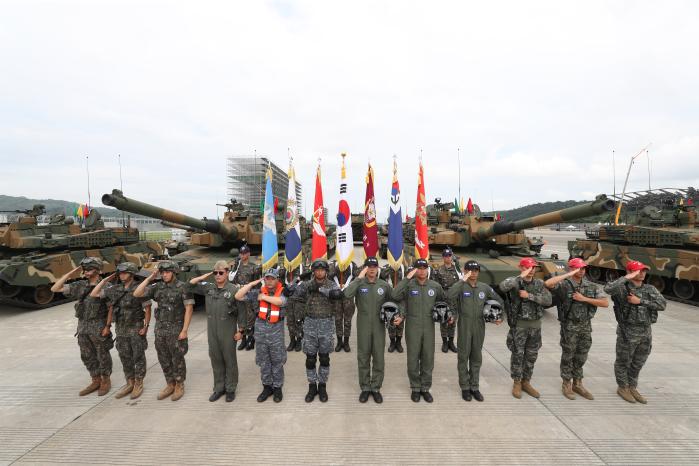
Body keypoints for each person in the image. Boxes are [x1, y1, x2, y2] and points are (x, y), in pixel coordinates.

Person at [545, 258, 609, 400]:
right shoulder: (564, 285)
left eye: (583, 268)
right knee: (568, 355)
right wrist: (568, 274)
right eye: (578, 268)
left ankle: (578, 383)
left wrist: (584, 299)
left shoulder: (590, 286)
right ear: (572, 269)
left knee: (581, 355)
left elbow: (605, 303)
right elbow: (548, 284)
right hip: (569, 326)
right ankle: (566, 383)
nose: (582, 271)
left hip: (585, 326)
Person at [604, 260, 666, 404]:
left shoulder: (650, 289)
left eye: (644, 271)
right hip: (628, 331)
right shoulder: (622, 288)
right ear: (631, 272)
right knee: (623, 361)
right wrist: (626, 277)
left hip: (645, 331)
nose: (642, 273)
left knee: (638, 361)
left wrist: (641, 301)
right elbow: (607, 289)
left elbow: (662, 305)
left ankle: (632, 386)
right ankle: (622, 387)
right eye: (639, 271)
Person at [51, 257, 113, 396]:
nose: (85, 272)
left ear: (97, 270)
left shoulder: (106, 286)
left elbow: (111, 308)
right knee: (87, 355)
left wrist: (107, 326)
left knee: (102, 355)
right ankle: (95, 379)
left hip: (98, 325)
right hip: (83, 326)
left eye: (89, 269)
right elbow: (55, 288)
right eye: (84, 269)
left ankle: (105, 380)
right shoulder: (80, 285)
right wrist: (71, 273)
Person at [134, 261, 194, 401]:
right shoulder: (158, 287)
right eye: (162, 272)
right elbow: (137, 293)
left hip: (176, 329)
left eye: (167, 272)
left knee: (177, 358)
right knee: (163, 358)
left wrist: (185, 330)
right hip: (160, 330)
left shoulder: (183, 287)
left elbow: (189, 309)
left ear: (174, 272)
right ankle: (170, 383)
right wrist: (150, 278)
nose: (164, 275)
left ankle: (179, 384)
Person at [90, 262, 151, 400]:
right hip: (121, 328)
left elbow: (147, 308)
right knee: (124, 356)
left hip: (135, 326)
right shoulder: (115, 289)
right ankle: (129, 382)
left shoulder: (139, 288)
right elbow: (94, 294)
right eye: (120, 273)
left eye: (125, 273)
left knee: (138, 356)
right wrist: (105, 280)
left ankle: (139, 383)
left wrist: (146, 326)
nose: (122, 275)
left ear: (132, 273)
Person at [447, 260, 503, 402]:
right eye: (470, 270)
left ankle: (474, 387)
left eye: (476, 270)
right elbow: (449, 296)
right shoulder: (460, 287)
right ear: (465, 271)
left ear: (478, 272)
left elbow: (499, 301)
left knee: (476, 357)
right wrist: (461, 281)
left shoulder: (484, 288)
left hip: (479, 324)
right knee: (463, 356)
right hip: (464, 324)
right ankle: (465, 387)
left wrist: (497, 316)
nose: (473, 273)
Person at [391, 258, 445, 402]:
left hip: (429, 326)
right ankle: (415, 387)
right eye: (418, 268)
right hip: (412, 325)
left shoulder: (435, 286)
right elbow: (395, 295)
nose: (422, 271)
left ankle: (425, 388)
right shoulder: (409, 286)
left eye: (424, 268)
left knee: (428, 357)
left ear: (427, 269)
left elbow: (443, 302)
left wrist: (446, 314)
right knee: (413, 357)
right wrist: (406, 278)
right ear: (414, 270)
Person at [189, 260, 245, 402]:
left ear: (227, 273)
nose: (218, 275)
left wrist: (241, 330)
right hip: (212, 331)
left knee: (229, 360)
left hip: (227, 330)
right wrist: (204, 276)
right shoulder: (209, 288)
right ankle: (219, 387)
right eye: (215, 273)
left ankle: (231, 388)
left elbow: (242, 311)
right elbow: (190, 284)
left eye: (221, 272)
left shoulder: (234, 290)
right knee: (216, 359)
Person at [290, 258, 342, 403]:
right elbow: (292, 294)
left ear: (326, 271)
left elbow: (338, 296)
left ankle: (323, 386)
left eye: (322, 270)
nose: (320, 272)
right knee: (310, 359)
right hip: (310, 324)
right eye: (317, 270)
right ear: (314, 271)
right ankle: (312, 385)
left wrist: (322, 290)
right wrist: (297, 280)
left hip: (326, 324)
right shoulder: (307, 285)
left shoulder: (331, 285)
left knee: (324, 358)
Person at [500, 257, 552, 399]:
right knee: (518, 355)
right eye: (528, 267)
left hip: (535, 326)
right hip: (519, 326)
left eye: (533, 268)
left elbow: (548, 300)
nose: (531, 271)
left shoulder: (539, 284)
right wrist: (519, 277)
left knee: (531, 356)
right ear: (521, 268)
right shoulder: (515, 282)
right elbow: (502, 287)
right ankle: (517, 382)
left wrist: (530, 296)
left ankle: (526, 382)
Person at [342, 257, 392, 403]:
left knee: (378, 357)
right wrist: (359, 278)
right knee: (363, 356)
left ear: (378, 268)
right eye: (368, 266)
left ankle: (375, 387)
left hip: (379, 324)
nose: (371, 269)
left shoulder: (383, 285)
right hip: (363, 323)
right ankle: (365, 387)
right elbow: (347, 294)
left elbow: (394, 299)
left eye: (374, 266)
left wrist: (397, 313)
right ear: (365, 268)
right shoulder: (359, 284)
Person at [236, 268, 288, 402]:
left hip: (276, 334)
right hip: (260, 334)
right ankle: (267, 387)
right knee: (264, 362)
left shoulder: (283, 291)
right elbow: (238, 296)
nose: (270, 281)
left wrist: (264, 297)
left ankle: (277, 388)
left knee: (277, 362)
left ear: (277, 280)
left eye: (272, 278)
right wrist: (251, 284)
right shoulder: (257, 292)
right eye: (267, 278)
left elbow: (280, 302)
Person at [230, 245, 261, 351]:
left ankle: (251, 339)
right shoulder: (237, 267)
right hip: (239, 295)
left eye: (245, 253)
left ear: (248, 254)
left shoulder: (254, 267)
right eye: (241, 253)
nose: (243, 255)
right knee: (241, 318)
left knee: (250, 318)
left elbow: (257, 285)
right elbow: (232, 282)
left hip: (249, 296)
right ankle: (243, 339)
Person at [329, 260, 359, 352]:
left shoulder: (352, 264)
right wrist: (338, 268)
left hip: (348, 296)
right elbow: (329, 276)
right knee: (338, 320)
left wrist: (348, 285)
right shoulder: (333, 264)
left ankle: (346, 342)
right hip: (336, 296)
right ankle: (339, 341)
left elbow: (357, 277)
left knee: (347, 320)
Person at [434, 247, 460, 353]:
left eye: (449, 256)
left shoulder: (457, 270)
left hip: (454, 300)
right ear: (443, 257)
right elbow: (436, 286)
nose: (447, 258)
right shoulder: (439, 270)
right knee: (444, 321)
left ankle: (451, 342)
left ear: (451, 256)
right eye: (445, 256)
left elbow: (461, 283)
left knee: (453, 322)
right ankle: (445, 343)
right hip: (444, 298)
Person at [279, 264, 305, 352]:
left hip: (299, 300)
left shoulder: (303, 268)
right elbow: (281, 282)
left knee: (298, 321)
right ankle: (292, 340)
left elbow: (305, 283)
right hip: (289, 300)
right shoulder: (286, 268)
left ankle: (298, 340)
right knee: (290, 321)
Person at [381, 264, 406, 353]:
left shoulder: (404, 268)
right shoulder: (386, 267)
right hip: (390, 298)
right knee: (390, 320)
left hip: (401, 299)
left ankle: (398, 342)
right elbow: (382, 275)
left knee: (400, 322)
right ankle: (392, 342)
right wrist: (391, 267)